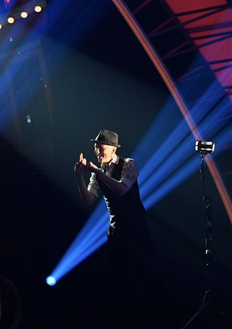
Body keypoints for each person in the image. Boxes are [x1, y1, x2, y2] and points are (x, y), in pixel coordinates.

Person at [74, 129, 156, 328]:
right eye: (95, 147)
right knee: (118, 281)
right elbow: (88, 199)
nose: (97, 151)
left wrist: (97, 171)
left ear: (112, 149)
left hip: (136, 229)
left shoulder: (128, 164)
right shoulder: (98, 172)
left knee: (145, 278)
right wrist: (79, 176)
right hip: (116, 231)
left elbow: (122, 189)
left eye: (100, 147)